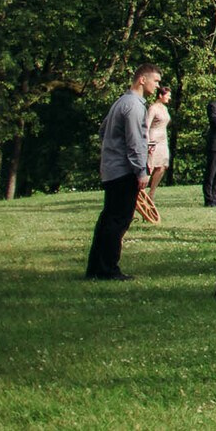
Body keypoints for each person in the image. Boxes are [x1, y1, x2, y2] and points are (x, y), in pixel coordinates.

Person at [87, 63, 158, 280]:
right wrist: (140, 171)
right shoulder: (135, 106)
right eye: (155, 81)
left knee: (107, 220)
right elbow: (135, 142)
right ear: (142, 80)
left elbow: (103, 130)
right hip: (123, 171)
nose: (157, 85)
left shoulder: (120, 102)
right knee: (118, 220)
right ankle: (108, 269)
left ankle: (96, 268)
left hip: (111, 168)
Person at [143, 85, 172, 204]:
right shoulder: (153, 108)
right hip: (153, 139)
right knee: (151, 166)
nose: (169, 98)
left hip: (163, 140)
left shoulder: (164, 108)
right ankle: (141, 192)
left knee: (162, 166)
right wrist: (149, 143)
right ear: (160, 95)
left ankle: (152, 193)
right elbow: (146, 126)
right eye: (167, 96)